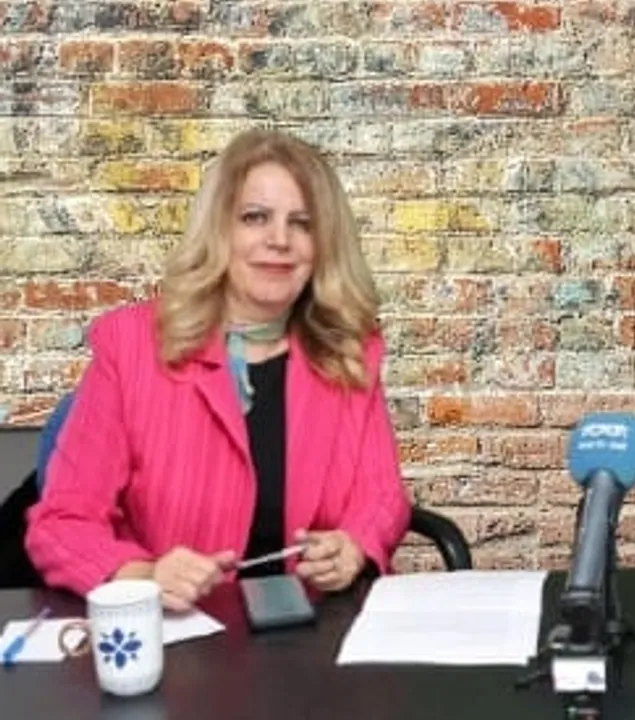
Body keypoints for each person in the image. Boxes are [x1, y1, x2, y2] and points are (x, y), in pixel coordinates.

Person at [26, 129, 411, 609]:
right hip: (180, 632)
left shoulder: (348, 350)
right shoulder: (130, 346)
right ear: (219, 231)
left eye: (302, 224)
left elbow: (382, 497)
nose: (279, 240)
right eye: (255, 217)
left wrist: (353, 546)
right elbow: (62, 524)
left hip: (312, 627)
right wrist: (145, 575)